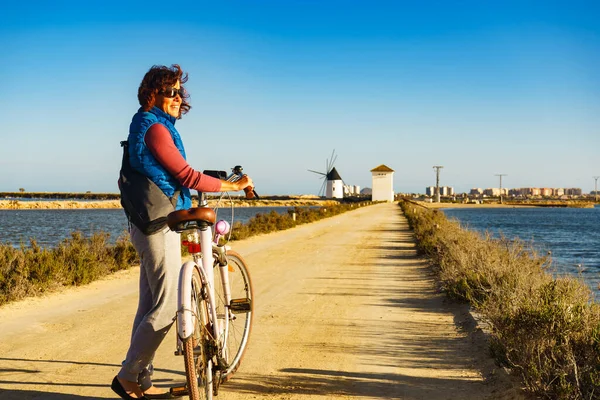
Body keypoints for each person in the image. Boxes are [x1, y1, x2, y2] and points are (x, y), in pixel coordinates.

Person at [111, 64, 253, 400]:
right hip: (158, 224)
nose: (178, 97)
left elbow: (175, 174)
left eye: (180, 92)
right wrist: (232, 186)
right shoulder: (154, 128)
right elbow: (187, 176)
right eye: (171, 91)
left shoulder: (150, 126)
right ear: (152, 94)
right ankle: (128, 377)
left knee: (149, 304)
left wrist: (215, 182)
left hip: (149, 222)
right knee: (166, 307)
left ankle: (141, 380)